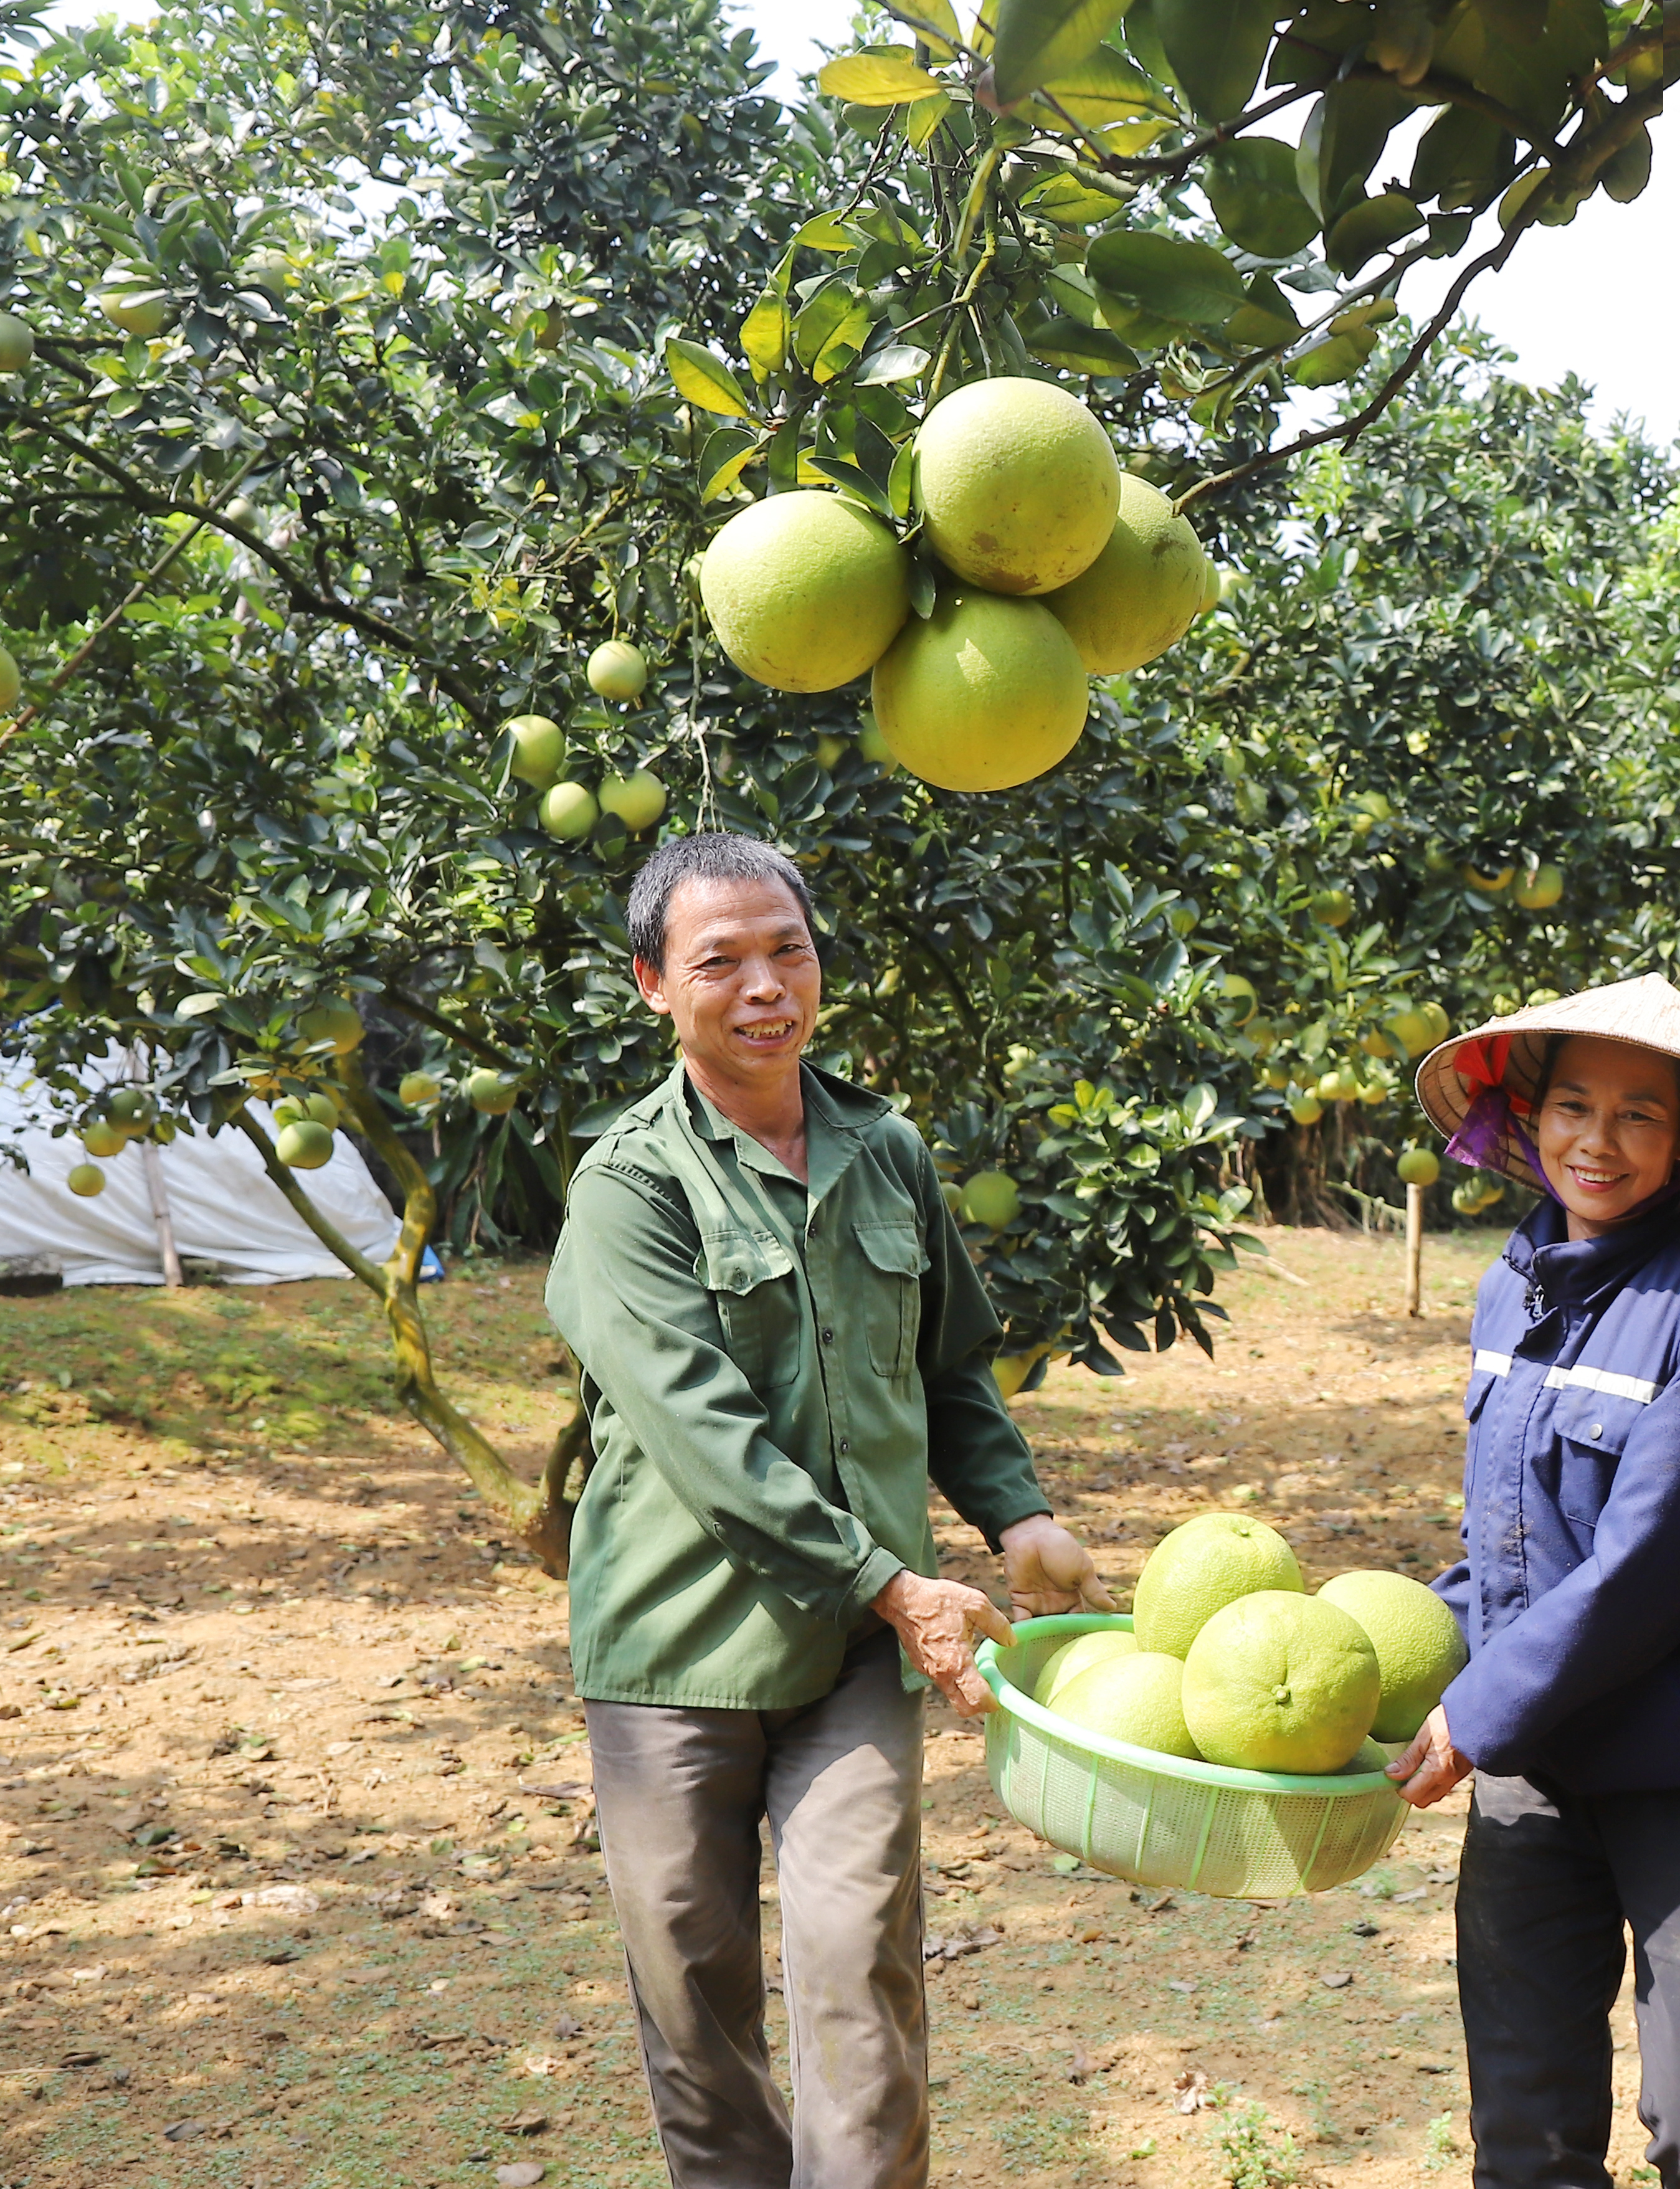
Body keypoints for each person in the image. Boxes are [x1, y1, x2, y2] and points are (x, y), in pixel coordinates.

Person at [543, 830, 1110, 2189]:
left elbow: (948, 1366)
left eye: (785, 949)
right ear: (652, 987)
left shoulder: (888, 1149)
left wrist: (1013, 1512)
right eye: (718, 960)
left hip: (860, 1654)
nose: (762, 985)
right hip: (677, 1652)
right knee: (696, 2001)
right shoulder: (629, 1187)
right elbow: (707, 1440)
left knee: (861, 1971)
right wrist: (897, 1581)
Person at [1392, 972, 1680, 2189]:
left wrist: (1476, 1710)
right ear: (1529, 1118)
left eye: (1640, 1113)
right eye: (1574, 1104)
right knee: (1525, 2132)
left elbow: (1649, 1567)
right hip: (1539, 1774)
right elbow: (1516, 1539)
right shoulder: (1509, 1286)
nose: (1599, 1139)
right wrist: (1395, 1640)